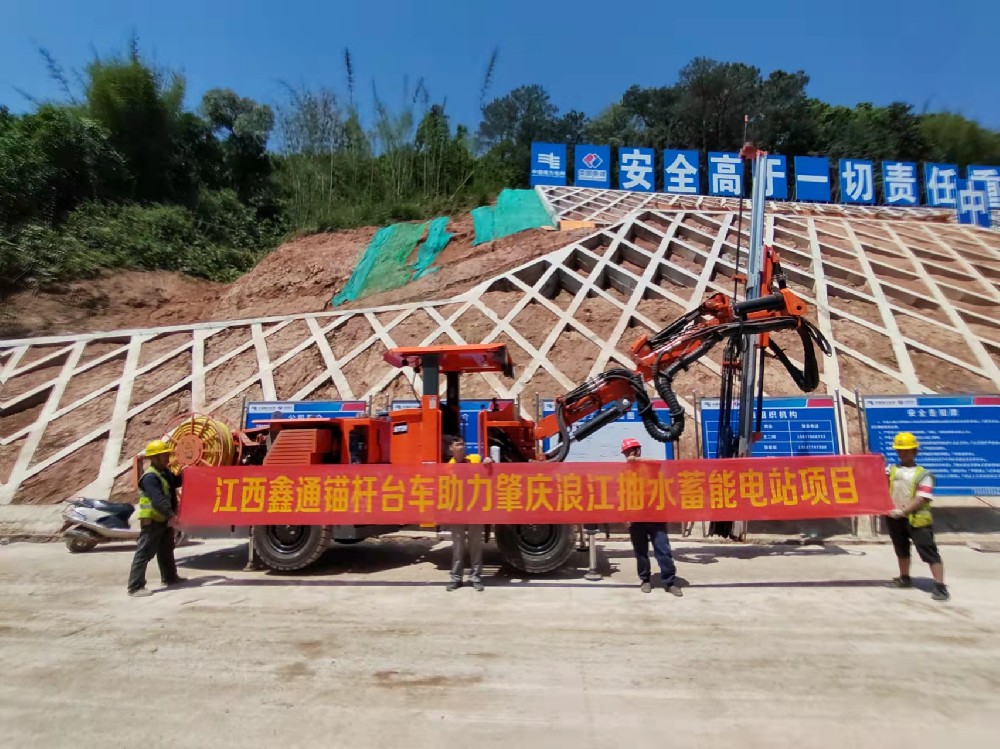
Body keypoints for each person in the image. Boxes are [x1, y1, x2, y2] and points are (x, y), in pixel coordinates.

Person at [885, 432, 948, 601]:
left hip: (918, 520)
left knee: (928, 551)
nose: (902, 453)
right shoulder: (891, 470)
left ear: (914, 451)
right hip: (895, 518)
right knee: (901, 549)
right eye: (900, 450)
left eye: (906, 450)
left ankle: (940, 586)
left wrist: (904, 511)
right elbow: (875, 480)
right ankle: (904, 578)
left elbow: (922, 498)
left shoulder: (924, 474)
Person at [621, 438, 682, 596]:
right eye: (626, 452)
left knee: (663, 550)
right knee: (640, 552)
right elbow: (623, 496)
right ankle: (645, 580)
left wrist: (638, 460)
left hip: (655, 517)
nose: (629, 454)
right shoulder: (624, 472)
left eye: (631, 450)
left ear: (638, 450)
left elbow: (657, 463)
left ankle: (669, 582)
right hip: (636, 518)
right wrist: (626, 517)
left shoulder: (649, 466)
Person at [126, 440, 186, 597]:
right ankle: (135, 586)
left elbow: (177, 481)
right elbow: (158, 499)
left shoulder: (165, 473)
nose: (167, 458)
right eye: (163, 455)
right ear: (154, 458)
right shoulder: (150, 477)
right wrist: (172, 515)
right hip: (152, 520)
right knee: (144, 553)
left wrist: (187, 471)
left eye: (167, 455)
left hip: (163, 519)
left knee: (166, 550)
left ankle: (170, 577)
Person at [446, 435, 493, 592]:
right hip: (457, 511)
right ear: (451, 448)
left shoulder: (474, 459)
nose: (460, 447)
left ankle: (475, 577)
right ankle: (456, 578)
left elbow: (488, 462)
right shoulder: (448, 468)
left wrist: (489, 460)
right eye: (457, 445)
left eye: (462, 444)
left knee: (475, 545)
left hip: (474, 509)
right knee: (458, 547)